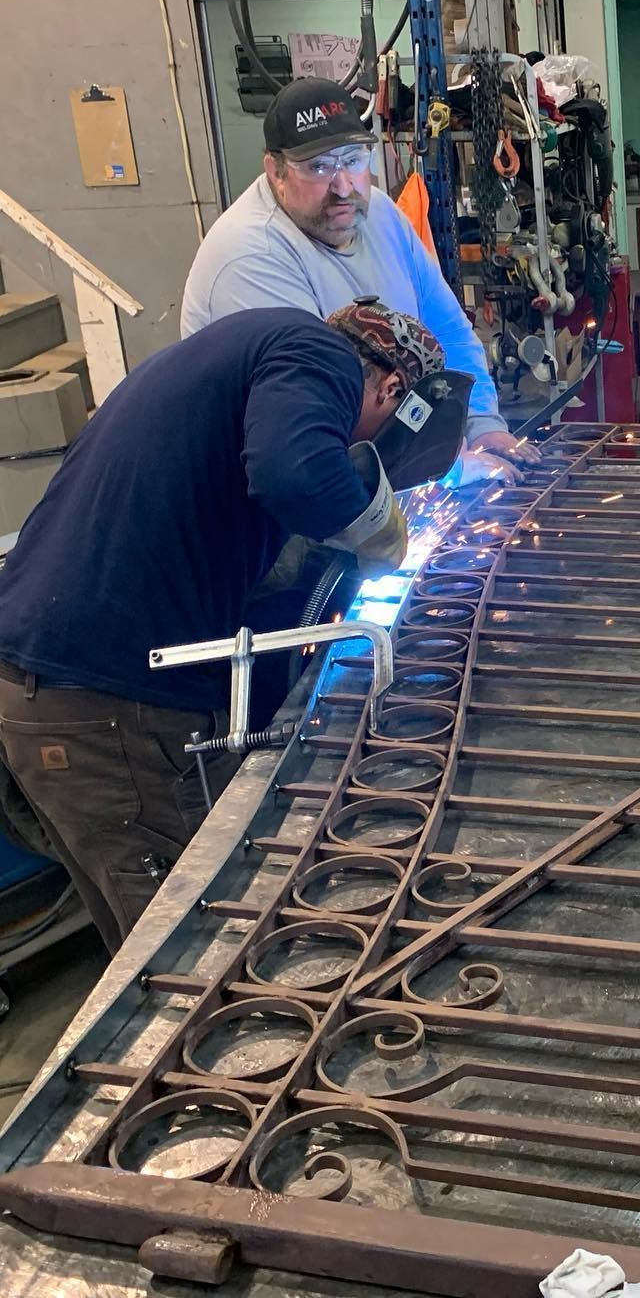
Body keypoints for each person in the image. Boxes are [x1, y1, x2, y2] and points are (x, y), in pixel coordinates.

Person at [0, 299, 443, 953]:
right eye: (378, 425)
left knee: (142, 952)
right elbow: (296, 475)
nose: (362, 442)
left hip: (48, 680)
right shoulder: (313, 353)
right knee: (198, 963)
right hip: (103, 705)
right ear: (389, 387)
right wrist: (377, 530)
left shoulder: (247, 348)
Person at [182, 77, 535, 483]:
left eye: (353, 159)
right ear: (275, 172)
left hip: (367, 470)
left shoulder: (379, 214)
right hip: (274, 497)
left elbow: (447, 330)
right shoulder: (250, 259)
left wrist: (481, 424)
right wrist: (447, 470)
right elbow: (305, 428)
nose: (343, 186)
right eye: (318, 167)